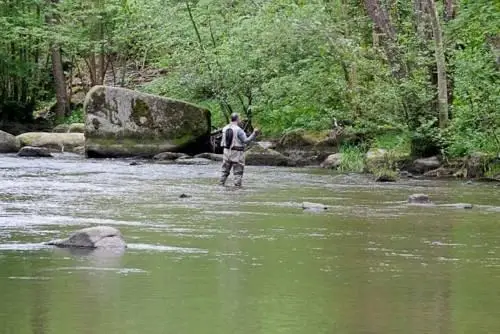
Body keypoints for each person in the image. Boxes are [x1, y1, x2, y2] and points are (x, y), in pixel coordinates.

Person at [219, 113, 259, 187]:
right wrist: (254, 134)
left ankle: (221, 185)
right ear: (237, 119)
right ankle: (237, 189)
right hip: (237, 153)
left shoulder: (224, 128)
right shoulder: (239, 130)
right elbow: (246, 141)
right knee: (238, 173)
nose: (240, 120)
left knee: (224, 171)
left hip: (226, 152)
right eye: (239, 118)